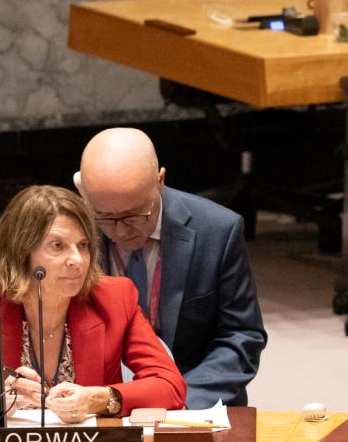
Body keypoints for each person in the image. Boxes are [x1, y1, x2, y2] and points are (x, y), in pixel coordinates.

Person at [0, 185, 186, 420]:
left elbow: (170, 385)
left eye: (83, 246)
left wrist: (99, 399)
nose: (77, 260)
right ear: (20, 253)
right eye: (58, 246)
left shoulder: (115, 299)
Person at [76, 128, 265, 408]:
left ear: (160, 181)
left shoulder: (217, 230)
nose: (121, 232)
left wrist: (179, 401)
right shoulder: (72, 232)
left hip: (191, 402)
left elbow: (241, 336)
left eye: (133, 215)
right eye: (105, 217)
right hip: (98, 403)